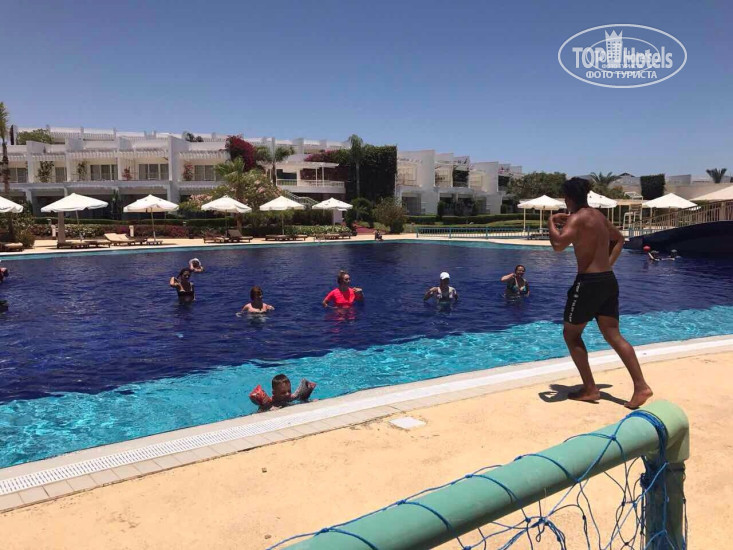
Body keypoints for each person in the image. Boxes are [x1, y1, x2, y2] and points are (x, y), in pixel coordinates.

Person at [549, 178, 653, 409]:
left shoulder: (576, 219)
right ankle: (641, 386)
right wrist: (607, 264)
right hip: (607, 280)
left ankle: (590, 388)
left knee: (571, 335)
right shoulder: (598, 216)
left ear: (568, 198)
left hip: (587, 283)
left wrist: (551, 221)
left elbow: (558, 245)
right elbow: (619, 239)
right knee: (614, 335)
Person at [250, 374, 317, 412]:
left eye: (289, 391)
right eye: (283, 392)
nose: (287, 394)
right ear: (274, 393)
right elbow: (260, 412)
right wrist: (268, 410)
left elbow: (300, 400)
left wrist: (309, 401)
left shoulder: (290, 398)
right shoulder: (270, 403)